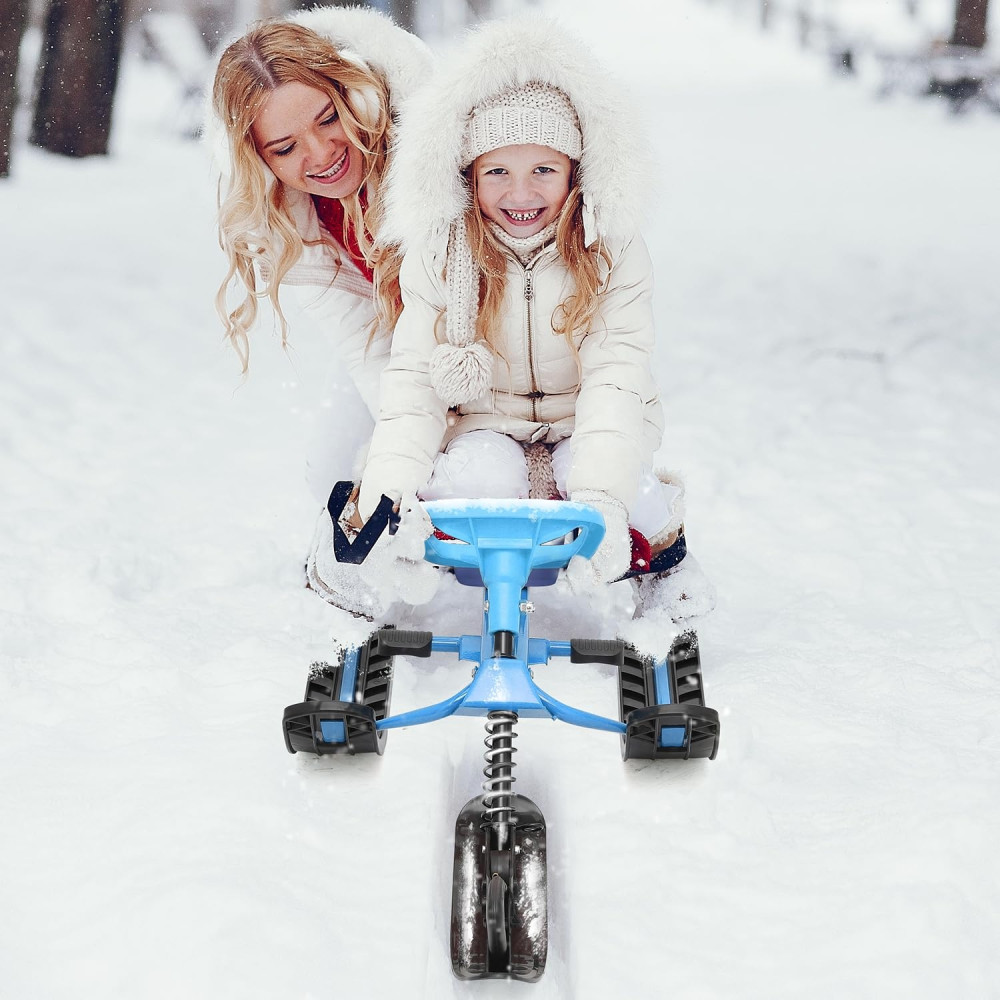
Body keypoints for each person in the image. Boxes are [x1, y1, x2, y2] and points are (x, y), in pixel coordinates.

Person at [338, 15, 713, 624]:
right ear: (467, 176)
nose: (521, 193)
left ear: (576, 173)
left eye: (543, 169)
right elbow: (412, 379)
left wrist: (600, 497)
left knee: (628, 500)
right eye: (497, 172)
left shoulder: (610, 250)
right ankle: (392, 586)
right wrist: (390, 494)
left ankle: (665, 569)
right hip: (485, 422)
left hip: (584, 420)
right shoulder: (441, 253)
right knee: (459, 493)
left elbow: (617, 375)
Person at [207, 7, 432, 609]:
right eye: (285, 146)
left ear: (352, 89)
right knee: (333, 469)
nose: (322, 152)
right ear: (260, 160)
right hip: (396, 346)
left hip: (501, 349)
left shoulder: (433, 153)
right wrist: (412, 448)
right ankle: (350, 571)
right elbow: (370, 349)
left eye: (328, 117)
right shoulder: (284, 220)